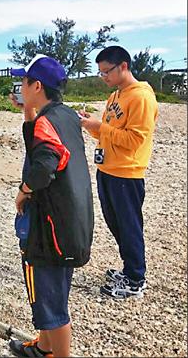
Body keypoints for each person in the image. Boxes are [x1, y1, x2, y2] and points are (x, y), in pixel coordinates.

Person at [7, 55, 94, 358]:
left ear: (37, 85)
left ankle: (59, 353)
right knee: (49, 291)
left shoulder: (48, 121)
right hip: (69, 220)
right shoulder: (65, 115)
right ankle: (44, 347)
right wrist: (28, 109)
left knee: (51, 301)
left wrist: (23, 190)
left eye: (24, 81)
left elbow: (43, 166)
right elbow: (40, 144)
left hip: (51, 228)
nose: (20, 86)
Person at [79, 45, 158, 299]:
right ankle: (129, 269)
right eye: (101, 73)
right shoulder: (115, 96)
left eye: (107, 72)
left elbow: (136, 139)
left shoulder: (141, 97)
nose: (104, 77)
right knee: (116, 224)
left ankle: (136, 279)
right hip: (108, 169)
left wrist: (99, 127)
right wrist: (90, 125)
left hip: (127, 173)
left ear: (123, 66)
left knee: (129, 226)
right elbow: (108, 132)